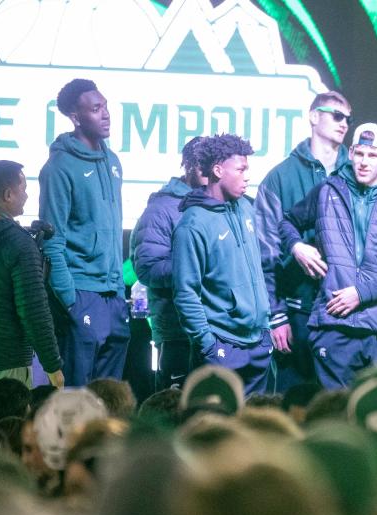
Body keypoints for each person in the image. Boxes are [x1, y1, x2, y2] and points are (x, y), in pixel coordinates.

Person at [280, 123, 377, 389]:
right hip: (334, 325)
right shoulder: (327, 191)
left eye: (373, 155)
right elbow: (287, 222)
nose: (364, 162)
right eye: (359, 153)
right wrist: (297, 247)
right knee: (335, 418)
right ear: (351, 153)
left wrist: (361, 293)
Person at [254, 91, 352, 392]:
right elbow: (264, 252)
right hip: (297, 310)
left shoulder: (359, 173)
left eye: (348, 118)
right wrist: (276, 314)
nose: (344, 123)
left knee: (340, 413)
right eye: (337, 115)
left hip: (346, 311)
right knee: (292, 410)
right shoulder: (279, 178)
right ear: (313, 117)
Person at [39, 78, 127, 386]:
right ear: (76, 117)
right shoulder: (59, 167)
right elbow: (53, 239)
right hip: (82, 293)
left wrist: (118, 290)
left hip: (113, 296)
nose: (105, 115)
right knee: (76, 400)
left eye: (105, 106)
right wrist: (70, 300)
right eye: (95, 108)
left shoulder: (113, 161)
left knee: (110, 401)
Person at [172, 134, 274, 395]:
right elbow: (185, 293)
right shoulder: (193, 224)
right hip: (222, 347)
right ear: (218, 170)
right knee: (216, 432)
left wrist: (265, 331)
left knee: (255, 430)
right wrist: (208, 345)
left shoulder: (246, 209)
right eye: (240, 169)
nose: (247, 176)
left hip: (257, 344)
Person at [0, 160, 64, 413]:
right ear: (8, 195)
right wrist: (53, 366)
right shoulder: (17, 242)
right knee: (7, 436)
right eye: (24, 187)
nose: (28, 194)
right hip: (5, 362)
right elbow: (33, 308)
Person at [130, 136, 207, 390]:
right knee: (174, 412)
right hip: (177, 330)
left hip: (217, 329)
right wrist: (202, 268)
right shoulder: (162, 209)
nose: (209, 173)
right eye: (202, 165)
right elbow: (147, 267)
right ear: (188, 166)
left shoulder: (224, 205)